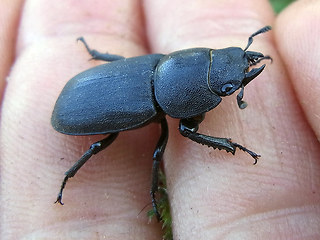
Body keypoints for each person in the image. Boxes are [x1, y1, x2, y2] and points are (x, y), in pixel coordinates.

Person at [1, 0, 319, 239]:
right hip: (78, 109)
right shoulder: (157, 94)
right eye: (226, 86)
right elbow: (188, 131)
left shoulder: (162, 64)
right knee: (112, 147)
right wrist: (230, 143)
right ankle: (71, 174)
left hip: (101, 86)